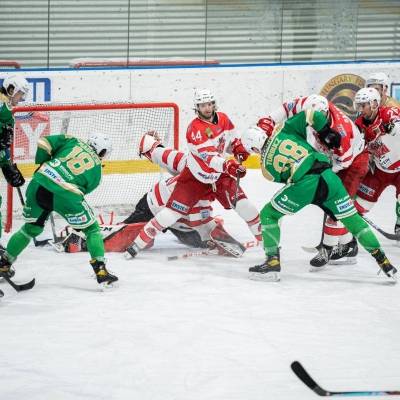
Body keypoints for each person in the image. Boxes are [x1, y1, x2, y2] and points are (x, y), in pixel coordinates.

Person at [240, 109, 397, 282]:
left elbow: (287, 180)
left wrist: (313, 196)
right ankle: (384, 262)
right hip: (328, 177)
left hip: (304, 186)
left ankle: (272, 262)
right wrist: (325, 131)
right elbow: (311, 114)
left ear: (254, 148)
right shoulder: (285, 129)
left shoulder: (266, 169)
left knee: (268, 214)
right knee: (352, 220)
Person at [124, 89, 261, 259]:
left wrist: (239, 149)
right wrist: (228, 165)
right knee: (170, 214)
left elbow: (231, 142)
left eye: (209, 104)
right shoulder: (194, 129)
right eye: (203, 105)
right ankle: (136, 245)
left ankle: (268, 247)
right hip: (195, 178)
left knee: (245, 206)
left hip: (219, 176)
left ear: (214, 104)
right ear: (197, 108)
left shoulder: (224, 119)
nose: (207, 108)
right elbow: (209, 158)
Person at [256, 94, 368, 267]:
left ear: (326, 115)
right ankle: (348, 244)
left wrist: (317, 174)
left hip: (353, 162)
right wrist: (268, 121)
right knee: (330, 201)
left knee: (336, 206)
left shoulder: (342, 132)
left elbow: (343, 162)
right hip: (331, 158)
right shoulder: (310, 104)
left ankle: (330, 248)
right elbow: (286, 108)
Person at [0, 133, 118, 288]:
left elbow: (43, 142)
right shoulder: (98, 173)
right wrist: (74, 218)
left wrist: (43, 164)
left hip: (39, 183)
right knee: (92, 229)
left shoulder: (72, 140)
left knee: (30, 229)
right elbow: (81, 192)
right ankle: (101, 271)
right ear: (102, 151)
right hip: (66, 194)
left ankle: (4, 263)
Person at [352, 87, 400, 234]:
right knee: (358, 207)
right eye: (358, 105)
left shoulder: (388, 113)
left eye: (363, 105)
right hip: (379, 170)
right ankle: (349, 239)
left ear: (374, 104)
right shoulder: (359, 124)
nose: (360, 109)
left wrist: (393, 128)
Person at [0, 76, 29, 243]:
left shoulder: (6, 108)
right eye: (20, 94)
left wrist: (7, 166)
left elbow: (3, 145)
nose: (21, 98)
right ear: (11, 89)